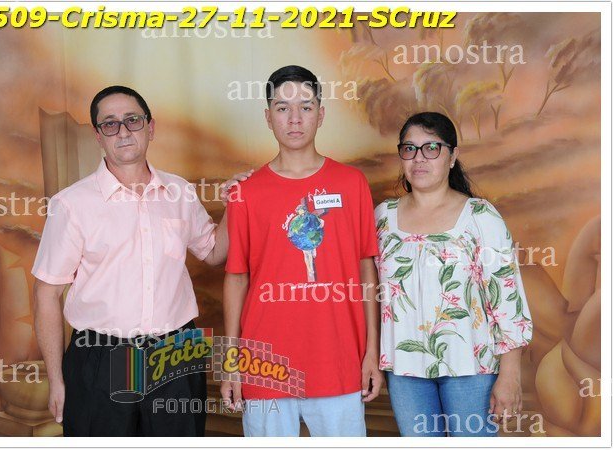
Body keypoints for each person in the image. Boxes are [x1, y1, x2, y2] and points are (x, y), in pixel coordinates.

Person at [32, 85, 229, 436]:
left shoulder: (180, 192)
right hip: (101, 356)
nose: (123, 131)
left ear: (150, 128)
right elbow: (46, 293)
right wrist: (56, 379)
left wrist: (236, 206)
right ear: (98, 135)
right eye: (110, 124)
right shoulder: (72, 204)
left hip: (175, 352)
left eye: (132, 120)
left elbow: (214, 253)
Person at [220, 65, 384, 437]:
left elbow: (366, 269)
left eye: (306, 107)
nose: (295, 118)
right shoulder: (246, 192)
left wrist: (371, 352)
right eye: (283, 108)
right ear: (268, 117)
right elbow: (236, 278)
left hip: (339, 361)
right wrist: (231, 361)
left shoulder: (352, 183)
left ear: (321, 114)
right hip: (265, 367)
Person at [374, 112, 533, 437]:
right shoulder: (383, 218)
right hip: (405, 369)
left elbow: (506, 298)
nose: (419, 158)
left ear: (452, 156)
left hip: (470, 366)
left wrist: (510, 374)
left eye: (431, 148)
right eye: (410, 148)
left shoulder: (480, 216)